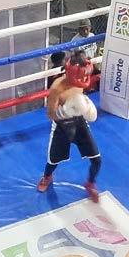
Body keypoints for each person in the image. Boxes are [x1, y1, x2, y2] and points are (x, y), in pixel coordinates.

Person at [37, 50, 101, 202]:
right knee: (53, 160)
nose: (84, 79)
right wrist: (65, 110)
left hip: (79, 121)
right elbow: (50, 115)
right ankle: (47, 177)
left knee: (97, 160)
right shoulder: (57, 88)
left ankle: (90, 183)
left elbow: (80, 99)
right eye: (82, 76)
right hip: (61, 125)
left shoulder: (82, 78)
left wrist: (85, 105)